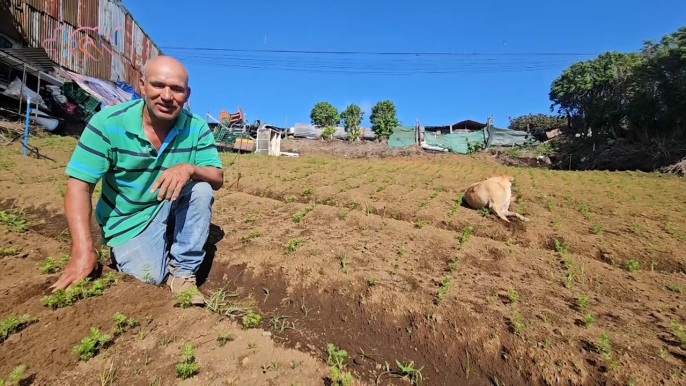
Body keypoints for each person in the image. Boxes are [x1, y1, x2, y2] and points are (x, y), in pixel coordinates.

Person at [50, 56, 223, 306]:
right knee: (149, 278)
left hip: (167, 201)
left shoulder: (195, 128)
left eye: (176, 89)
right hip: (129, 218)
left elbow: (217, 178)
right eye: (158, 85)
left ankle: (184, 273)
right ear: (142, 85)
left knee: (201, 189)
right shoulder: (108, 123)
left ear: (187, 94)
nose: (166, 96)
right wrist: (82, 250)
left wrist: (189, 167)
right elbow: (79, 186)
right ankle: (138, 244)